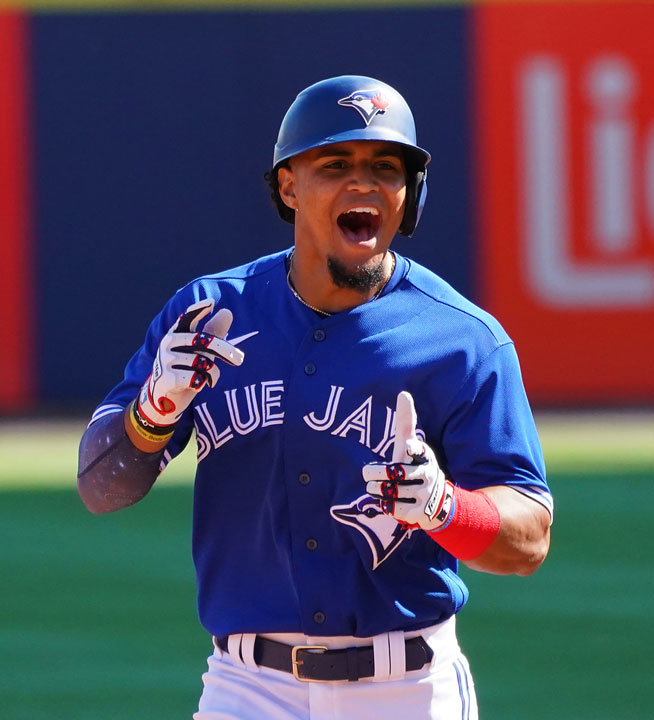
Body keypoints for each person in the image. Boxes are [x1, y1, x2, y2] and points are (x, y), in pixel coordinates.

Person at [76, 75, 553, 719]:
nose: (364, 183)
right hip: (246, 690)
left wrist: (445, 508)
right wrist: (153, 413)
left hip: (408, 690)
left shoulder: (464, 341)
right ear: (288, 186)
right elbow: (101, 486)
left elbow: (529, 540)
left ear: (409, 196)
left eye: (386, 167)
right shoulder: (207, 314)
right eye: (335, 164)